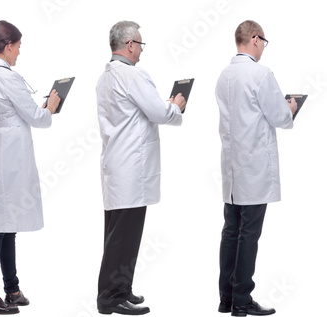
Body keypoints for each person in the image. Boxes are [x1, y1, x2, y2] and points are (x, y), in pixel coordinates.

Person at [0, 20, 60, 315]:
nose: (19, 53)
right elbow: (37, 117)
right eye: (18, 47)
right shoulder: (7, 78)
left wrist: (38, 109)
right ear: (8, 46)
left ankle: (12, 288)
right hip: (8, 153)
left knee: (6, 223)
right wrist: (51, 107)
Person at [96, 21, 186, 315]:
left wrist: (164, 105)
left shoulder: (105, 77)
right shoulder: (132, 75)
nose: (141, 52)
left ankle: (121, 288)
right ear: (131, 44)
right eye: (141, 45)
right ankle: (109, 298)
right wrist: (176, 105)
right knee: (123, 236)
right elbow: (159, 112)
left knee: (121, 234)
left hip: (117, 164)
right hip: (130, 168)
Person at [215, 20, 297, 316]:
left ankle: (226, 298)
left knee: (230, 231)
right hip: (254, 169)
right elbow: (279, 117)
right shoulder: (261, 74)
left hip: (233, 170)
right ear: (253, 38)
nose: (263, 46)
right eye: (262, 41)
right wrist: (291, 109)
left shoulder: (224, 75)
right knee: (248, 234)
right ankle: (242, 300)